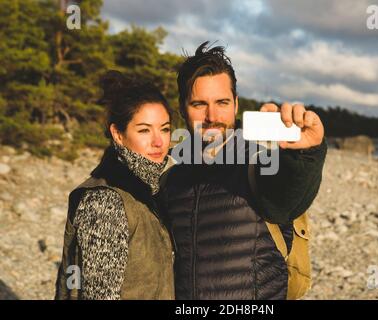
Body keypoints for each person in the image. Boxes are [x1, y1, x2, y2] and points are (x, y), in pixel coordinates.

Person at [159, 42, 328, 300]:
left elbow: (289, 193)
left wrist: (305, 153)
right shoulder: (173, 179)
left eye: (222, 102)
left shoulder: (259, 162)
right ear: (183, 108)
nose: (212, 115)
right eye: (199, 104)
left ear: (236, 105)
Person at [55, 70, 175, 300]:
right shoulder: (106, 201)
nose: (159, 141)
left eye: (165, 128)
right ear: (118, 134)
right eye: (144, 130)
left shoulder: (151, 189)